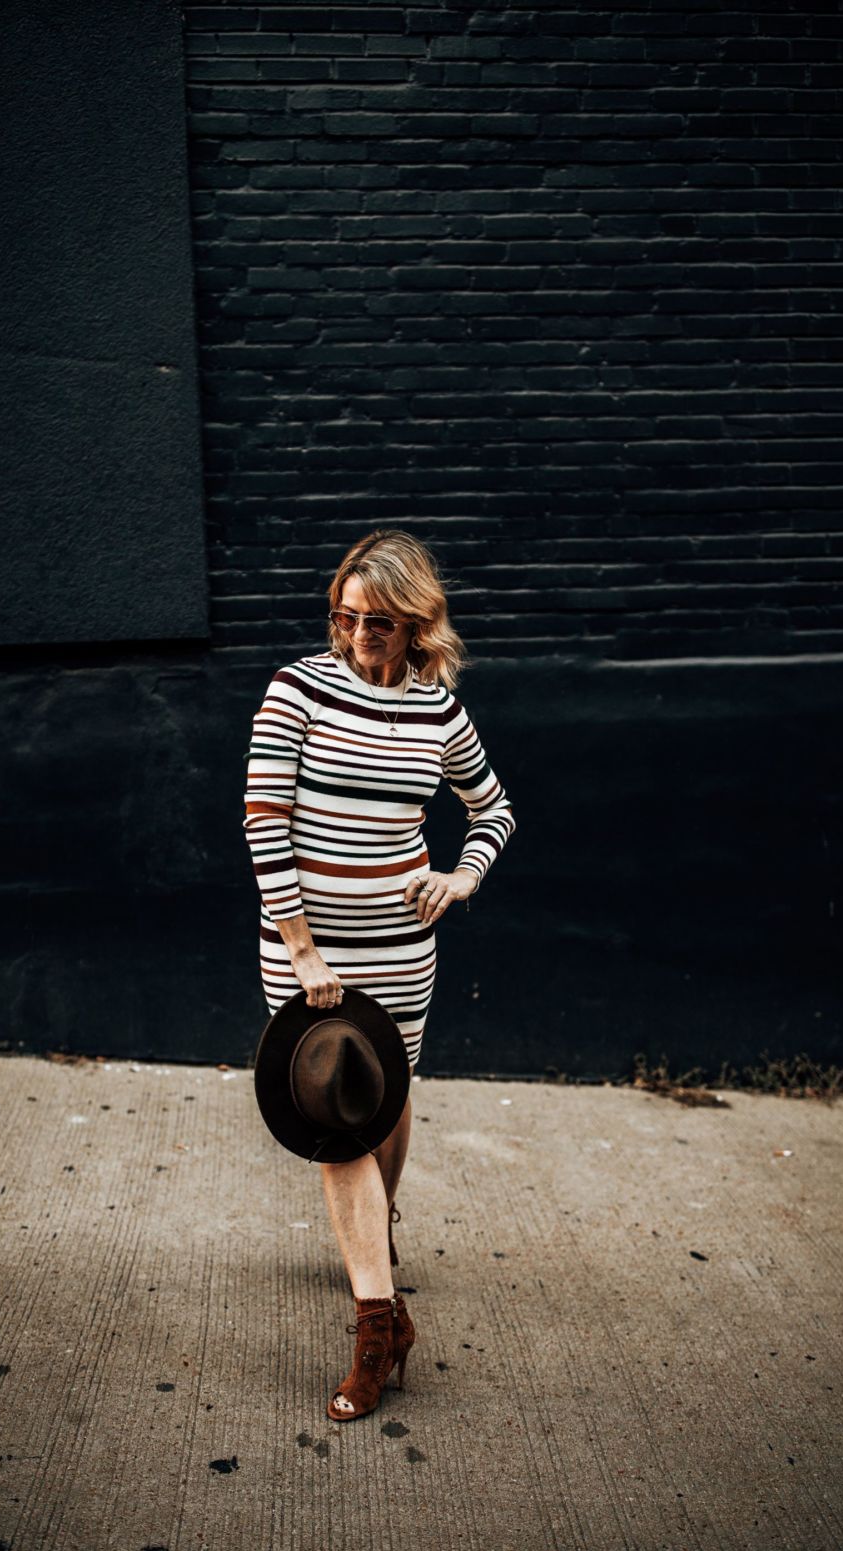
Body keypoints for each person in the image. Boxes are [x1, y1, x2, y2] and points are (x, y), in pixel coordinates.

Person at [242, 528, 517, 1420]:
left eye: (379, 622)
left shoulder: (440, 712)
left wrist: (462, 874)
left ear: (414, 623)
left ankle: (374, 1252)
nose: (359, 634)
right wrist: (301, 947)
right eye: (347, 617)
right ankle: (377, 1321)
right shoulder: (297, 689)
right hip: (311, 958)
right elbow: (262, 818)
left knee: (387, 1101)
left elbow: (493, 806)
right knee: (338, 1120)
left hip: (403, 952)